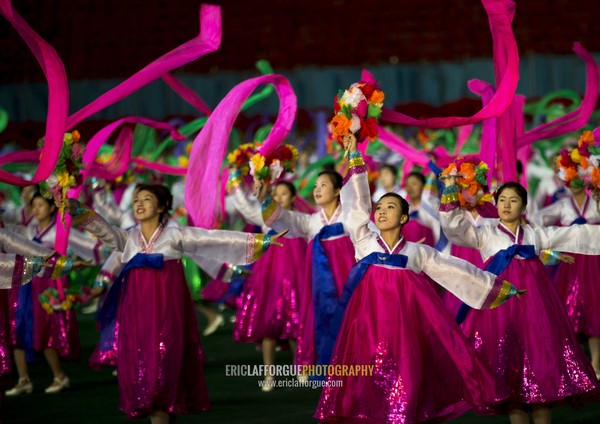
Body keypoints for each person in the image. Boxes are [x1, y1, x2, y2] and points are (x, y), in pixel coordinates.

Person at [315, 135, 524, 423]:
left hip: (406, 334)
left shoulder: (417, 252)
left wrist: (497, 287)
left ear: (404, 219)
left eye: (390, 208)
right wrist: (353, 155)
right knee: (367, 390)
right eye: (380, 208)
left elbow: (456, 270)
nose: (382, 211)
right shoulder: (364, 242)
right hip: (367, 329)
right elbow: (356, 205)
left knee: (407, 388)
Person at [60, 184, 285, 424]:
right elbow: (103, 230)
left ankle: (162, 410)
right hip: (137, 311)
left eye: (146, 199)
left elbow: (214, 239)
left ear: (161, 207)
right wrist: (75, 208)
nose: (139, 203)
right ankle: (162, 412)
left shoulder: (175, 233)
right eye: (136, 199)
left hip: (169, 309)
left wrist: (261, 241)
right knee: (144, 363)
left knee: (164, 362)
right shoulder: (128, 237)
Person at [439, 177, 600, 424]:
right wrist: (450, 189)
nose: (506, 205)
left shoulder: (535, 233)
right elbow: (456, 228)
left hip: (536, 311)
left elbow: (576, 234)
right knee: (511, 384)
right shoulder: (485, 233)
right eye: (502, 200)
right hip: (500, 313)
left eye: (513, 200)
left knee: (538, 379)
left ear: (523, 207)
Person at [4, 191, 107, 397]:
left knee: (44, 330)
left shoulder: (58, 231)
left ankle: (59, 375)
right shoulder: (29, 229)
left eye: (41, 205)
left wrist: (88, 261)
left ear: (52, 208)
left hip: (47, 285)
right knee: (17, 328)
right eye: (34, 206)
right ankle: (23, 379)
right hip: (24, 285)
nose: (36, 209)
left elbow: (92, 247)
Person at [256, 168, 355, 373]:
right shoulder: (310, 222)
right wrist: (265, 197)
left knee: (352, 325)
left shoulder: (350, 217)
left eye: (323, 185)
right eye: (316, 186)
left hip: (349, 284)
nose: (317, 189)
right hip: (323, 288)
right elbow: (285, 219)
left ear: (338, 191)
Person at [229, 174, 307, 390]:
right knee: (268, 325)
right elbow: (244, 206)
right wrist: (236, 180)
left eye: (284, 193)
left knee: (295, 323)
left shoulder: (299, 219)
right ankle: (269, 374)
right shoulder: (265, 217)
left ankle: (300, 368)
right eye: (276, 194)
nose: (279, 197)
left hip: (295, 277)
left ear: (293, 197)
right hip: (269, 278)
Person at [533, 185, 600, 378]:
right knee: (568, 311)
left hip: (594, 260)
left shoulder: (594, 201)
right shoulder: (563, 204)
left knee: (594, 309)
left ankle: (596, 363)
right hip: (569, 261)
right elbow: (539, 218)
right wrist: (554, 241)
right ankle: (577, 365)